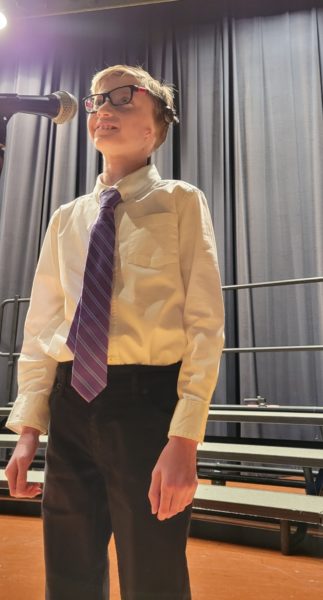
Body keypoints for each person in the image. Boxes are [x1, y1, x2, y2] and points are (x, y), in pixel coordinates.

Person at [5, 65, 225, 600]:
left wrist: (184, 438)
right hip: (71, 403)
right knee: (70, 573)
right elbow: (43, 326)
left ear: (155, 127)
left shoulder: (180, 202)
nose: (104, 108)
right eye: (97, 99)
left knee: (154, 573)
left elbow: (203, 322)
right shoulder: (66, 218)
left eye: (124, 99)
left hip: (146, 403)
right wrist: (29, 428)